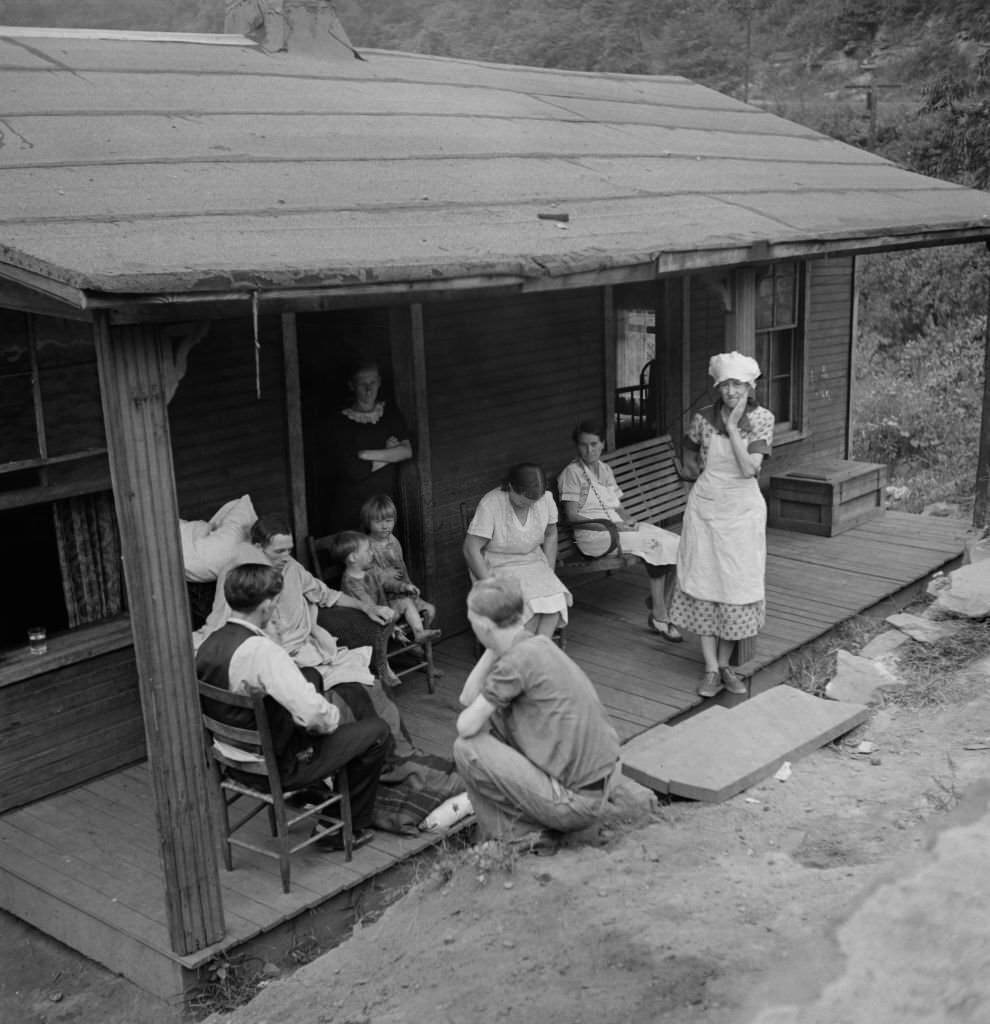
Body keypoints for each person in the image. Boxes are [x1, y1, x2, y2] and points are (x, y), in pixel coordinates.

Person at [196, 563, 391, 849]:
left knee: (309, 675)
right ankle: (340, 830)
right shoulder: (262, 652)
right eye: (274, 604)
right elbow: (316, 715)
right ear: (265, 606)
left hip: (231, 757)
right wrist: (331, 720)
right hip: (274, 766)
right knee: (376, 732)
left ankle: (313, 784)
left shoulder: (209, 643)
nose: (276, 611)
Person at [194, 513, 410, 733]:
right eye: (279, 551)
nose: (286, 556)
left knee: (371, 689)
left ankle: (389, 746)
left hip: (304, 649)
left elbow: (325, 594)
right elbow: (222, 624)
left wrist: (368, 607)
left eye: (290, 550)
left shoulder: (292, 568)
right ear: (258, 548)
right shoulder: (240, 579)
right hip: (279, 661)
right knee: (342, 699)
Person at [453, 577, 620, 850]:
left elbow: (465, 725)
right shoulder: (537, 644)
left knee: (466, 747)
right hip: (601, 783)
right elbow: (468, 698)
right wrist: (494, 645)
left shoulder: (516, 662)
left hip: (576, 803)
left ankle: (518, 837)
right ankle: (527, 827)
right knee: (492, 718)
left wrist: (491, 642)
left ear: (483, 625)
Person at [669, 351, 775, 698]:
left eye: (738, 384)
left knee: (736, 587)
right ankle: (711, 669)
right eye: (726, 384)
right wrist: (692, 476)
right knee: (705, 582)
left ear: (750, 386)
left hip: (742, 511)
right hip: (706, 509)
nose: (731, 391)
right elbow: (686, 449)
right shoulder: (702, 419)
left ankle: (726, 663)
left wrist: (731, 428)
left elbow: (751, 469)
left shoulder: (761, 419)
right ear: (718, 386)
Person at [558, 420, 682, 641]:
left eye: (594, 444)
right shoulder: (572, 474)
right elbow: (573, 515)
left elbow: (617, 506)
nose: (589, 450)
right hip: (594, 536)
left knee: (678, 544)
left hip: (616, 529)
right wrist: (616, 525)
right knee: (658, 546)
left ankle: (657, 602)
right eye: (584, 445)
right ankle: (660, 615)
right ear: (577, 446)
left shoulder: (605, 469)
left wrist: (629, 521)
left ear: (603, 444)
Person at [463, 463, 572, 638]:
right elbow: (470, 549)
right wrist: (491, 585)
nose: (528, 506)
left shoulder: (546, 499)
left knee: (554, 600)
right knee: (528, 609)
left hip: (533, 562)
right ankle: (526, 652)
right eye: (523, 502)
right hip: (499, 564)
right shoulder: (491, 503)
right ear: (511, 487)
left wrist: (549, 570)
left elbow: (551, 534)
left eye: (533, 503)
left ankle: (540, 649)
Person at [326, 360, 413, 532]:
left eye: (372, 382)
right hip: (353, 503)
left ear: (379, 382)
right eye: (362, 384)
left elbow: (407, 451)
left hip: (384, 501)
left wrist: (365, 454)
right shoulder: (340, 422)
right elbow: (353, 470)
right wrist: (390, 454)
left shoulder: (389, 413)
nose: (368, 389)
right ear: (352, 386)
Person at [361, 493, 439, 645]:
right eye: (378, 522)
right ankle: (417, 634)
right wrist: (385, 574)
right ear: (368, 522)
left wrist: (409, 586)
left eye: (389, 521)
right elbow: (366, 575)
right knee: (407, 605)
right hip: (383, 599)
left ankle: (411, 643)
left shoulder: (393, 541)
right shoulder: (366, 546)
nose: (385, 526)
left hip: (402, 591)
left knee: (430, 609)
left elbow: (402, 567)